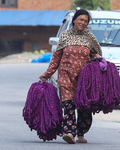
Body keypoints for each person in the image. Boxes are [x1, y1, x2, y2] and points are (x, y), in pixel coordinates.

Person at [39, 9, 102, 144]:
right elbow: (56, 58)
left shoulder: (90, 37)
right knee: (68, 104)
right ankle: (69, 132)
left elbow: (97, 55)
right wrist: (47, 74)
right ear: (74, 20)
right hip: (65, 76)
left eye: (86, 21)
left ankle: (81, 133)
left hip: (84, 79)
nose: (83, 23)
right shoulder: (65, 35)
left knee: (84, 106)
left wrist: (97, 58)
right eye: (81, 20)